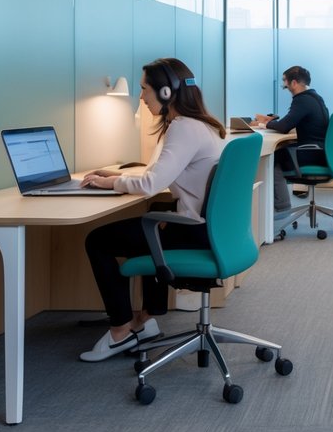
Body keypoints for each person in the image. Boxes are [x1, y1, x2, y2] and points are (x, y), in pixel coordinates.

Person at [76, 57, 226, 362]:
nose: (142, 96)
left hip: (195, 232)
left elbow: (151, 182)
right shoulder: (203, 126)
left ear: (167, 92)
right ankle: (144, 319)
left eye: (145, 89)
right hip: (210, 230)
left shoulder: (184, 128)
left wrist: (109, 184)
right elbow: (159, 175)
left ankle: (120, 330)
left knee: (98, 240)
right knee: (154, 214)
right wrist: (118, 177)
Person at [254, 65, 329, 215]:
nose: (284, 86)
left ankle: (282, 210)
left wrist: (263, 123)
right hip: (320, 151)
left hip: (311, 152)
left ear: (294, 83)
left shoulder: (302, 100)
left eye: (285, 82)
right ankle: (279, 206)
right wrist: (273, 121)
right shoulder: (315, 97)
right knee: (282, 153)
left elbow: (283, 127)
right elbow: (290, 122)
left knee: (272, 158)